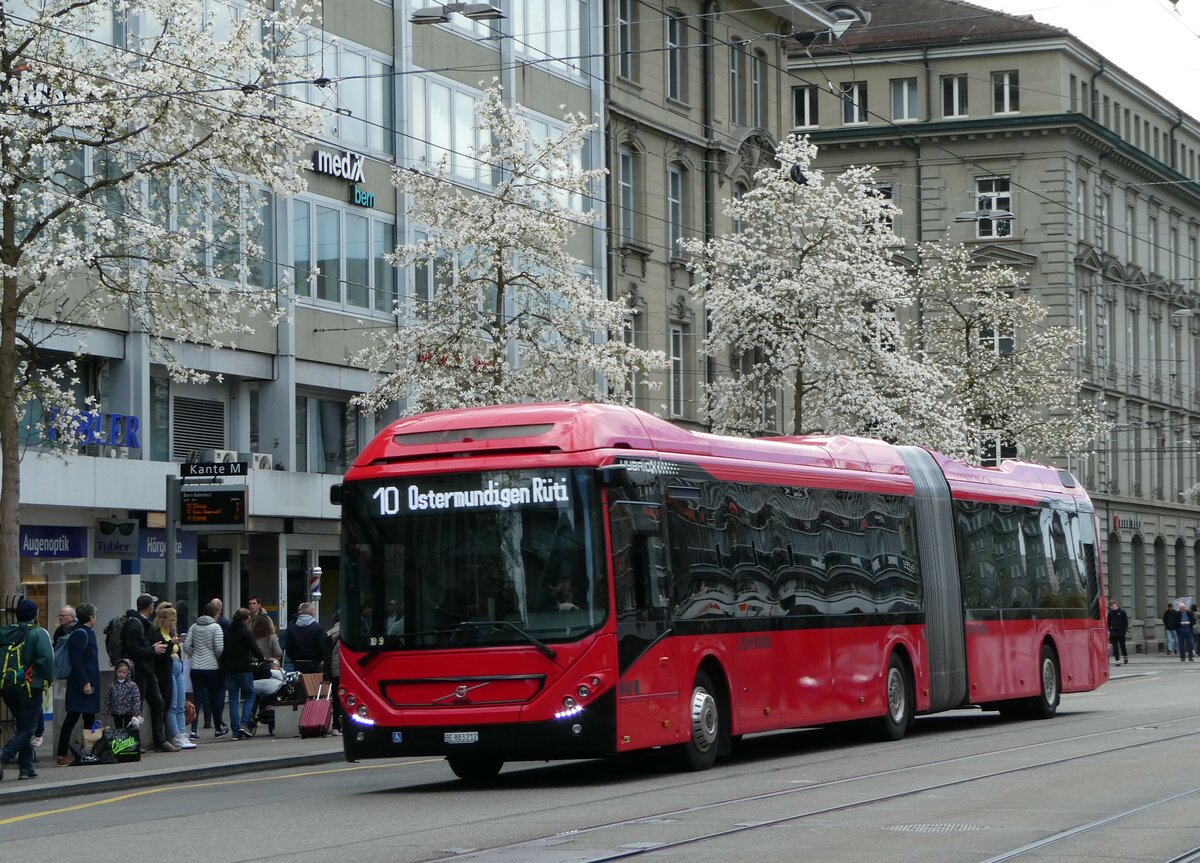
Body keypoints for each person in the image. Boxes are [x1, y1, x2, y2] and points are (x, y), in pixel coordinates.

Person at [0, 597, 54, 780]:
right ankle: (3, 756)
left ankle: (26, 767)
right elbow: (46, 659)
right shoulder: (38, 633)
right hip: (29, 687)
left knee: (22, 725)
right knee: (27, 730)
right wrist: (45, 682)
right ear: (34, 615)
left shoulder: (5, 631)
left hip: (7, 687)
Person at [120, 593, 178, 753]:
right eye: (152, 606)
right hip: (139, 670)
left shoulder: (144, 623)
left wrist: (167, 644)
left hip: (148, 670)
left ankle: (160, 740)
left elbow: (151, 644)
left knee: (158, 703)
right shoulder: (135, 624)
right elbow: (132, 649)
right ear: (149, 607)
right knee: (135, 708)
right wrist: (151, 650)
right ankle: (132, 743)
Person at [55, 603, 100, 766]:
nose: (96, 619)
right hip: (81, 682)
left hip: (88, 681)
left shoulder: (86, 632)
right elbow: (76, 660)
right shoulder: (80, 633)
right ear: (91, 617)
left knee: (89, 717)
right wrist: (85, 682)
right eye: (95, 616)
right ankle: (61, 754)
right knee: (72, 718)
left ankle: (89, 751)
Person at [152, 603, 194, 750]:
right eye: (170, 620)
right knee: (172, 704)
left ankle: (182, 732)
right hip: (167, 670)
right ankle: (175, 734)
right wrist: (171, 643)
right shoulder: (158, 634)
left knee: (181, 702)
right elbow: (162, 653)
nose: (172, 623)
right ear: (162, 620)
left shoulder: (170, 633)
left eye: (174, 620)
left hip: (177, 667)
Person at [183, 601, 226, 739]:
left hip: (196, 667)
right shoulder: (216, 627)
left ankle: (194, 730)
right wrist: (214, 657)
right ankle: (218, 728)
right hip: (212, 667)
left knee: (197, 698)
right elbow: (219, 648)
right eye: (218, 614)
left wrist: (195, 654)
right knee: (214, 698)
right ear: (215, 614)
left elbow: (187, 646)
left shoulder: (194, 626)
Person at [222, 607, 267, 740]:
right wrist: (262, 659)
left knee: (233, 700)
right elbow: (255, 649)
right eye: (249, 619)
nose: (250, 622)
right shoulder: (245, 633)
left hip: (230, 670)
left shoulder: (227, 632)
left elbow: (223, 650)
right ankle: (244, 723)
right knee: (250, 695)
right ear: (244, 620)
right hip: (244, 668)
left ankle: (235, 731)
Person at [103, 658, 141, 731]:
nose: (121, 674)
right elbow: (108, 699)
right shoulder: (112, 685)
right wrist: (106, 711)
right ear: (116, 672)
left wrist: (136, 711)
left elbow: (136, 699)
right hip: (116, 712)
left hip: (128, 712)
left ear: (128, 673)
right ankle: (119, 741)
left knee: (128, 729)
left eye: (124, 672)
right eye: (119, 672)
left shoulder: (132, 685)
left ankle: (128, 742)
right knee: (118, 729)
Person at [287, 601, 325, 674]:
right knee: (313, 684)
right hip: (314, 663)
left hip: (297, 663)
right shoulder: (317, 627)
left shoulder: (292, 628)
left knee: (300, 684)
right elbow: (322, 647)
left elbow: (288, 647)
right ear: (312, 612)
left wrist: (294, 658)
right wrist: (319, 659)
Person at [325, 611, 342, 735]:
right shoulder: (351, 632)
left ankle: (336, 725)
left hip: (335, 670)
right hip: (349, 669)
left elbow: (327, 657)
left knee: (336, 698)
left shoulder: (330, 633)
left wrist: (327, 674)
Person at [1107, 599, 1129, 665]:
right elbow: (1108, 622)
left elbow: (1125, 622)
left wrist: (1124, 630)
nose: (1111, 607)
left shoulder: (1122, 612)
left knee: (1122, 646)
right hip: (1114, 632)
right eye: (1110, 606)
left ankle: (1125, 657)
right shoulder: (1110, 613)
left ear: (1116, 604)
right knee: (1115, 647)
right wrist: (1110, 630)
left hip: (1121, 632)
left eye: (1112, 605)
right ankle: (1117, 660)